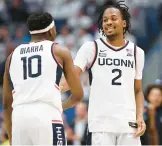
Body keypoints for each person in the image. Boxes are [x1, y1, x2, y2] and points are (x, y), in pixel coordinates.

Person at [60, 1, 146, 145]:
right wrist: (56, 91)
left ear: (124, 23)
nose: (108, 22)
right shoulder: (91, 47)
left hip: (129, 125)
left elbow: (137, 90)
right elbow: (72, 76)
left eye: (113, 18)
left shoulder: (138, 52)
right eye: (105, 20)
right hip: (101, 124)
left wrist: (139, 116)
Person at [3, 12, 83, 145]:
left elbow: (6, 104)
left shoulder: (12, 56)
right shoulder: (59, 51)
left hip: (19, 118)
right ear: (51, 30)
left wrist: (11, 137)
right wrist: (59, 106)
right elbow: (78, 95)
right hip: (47, 115)